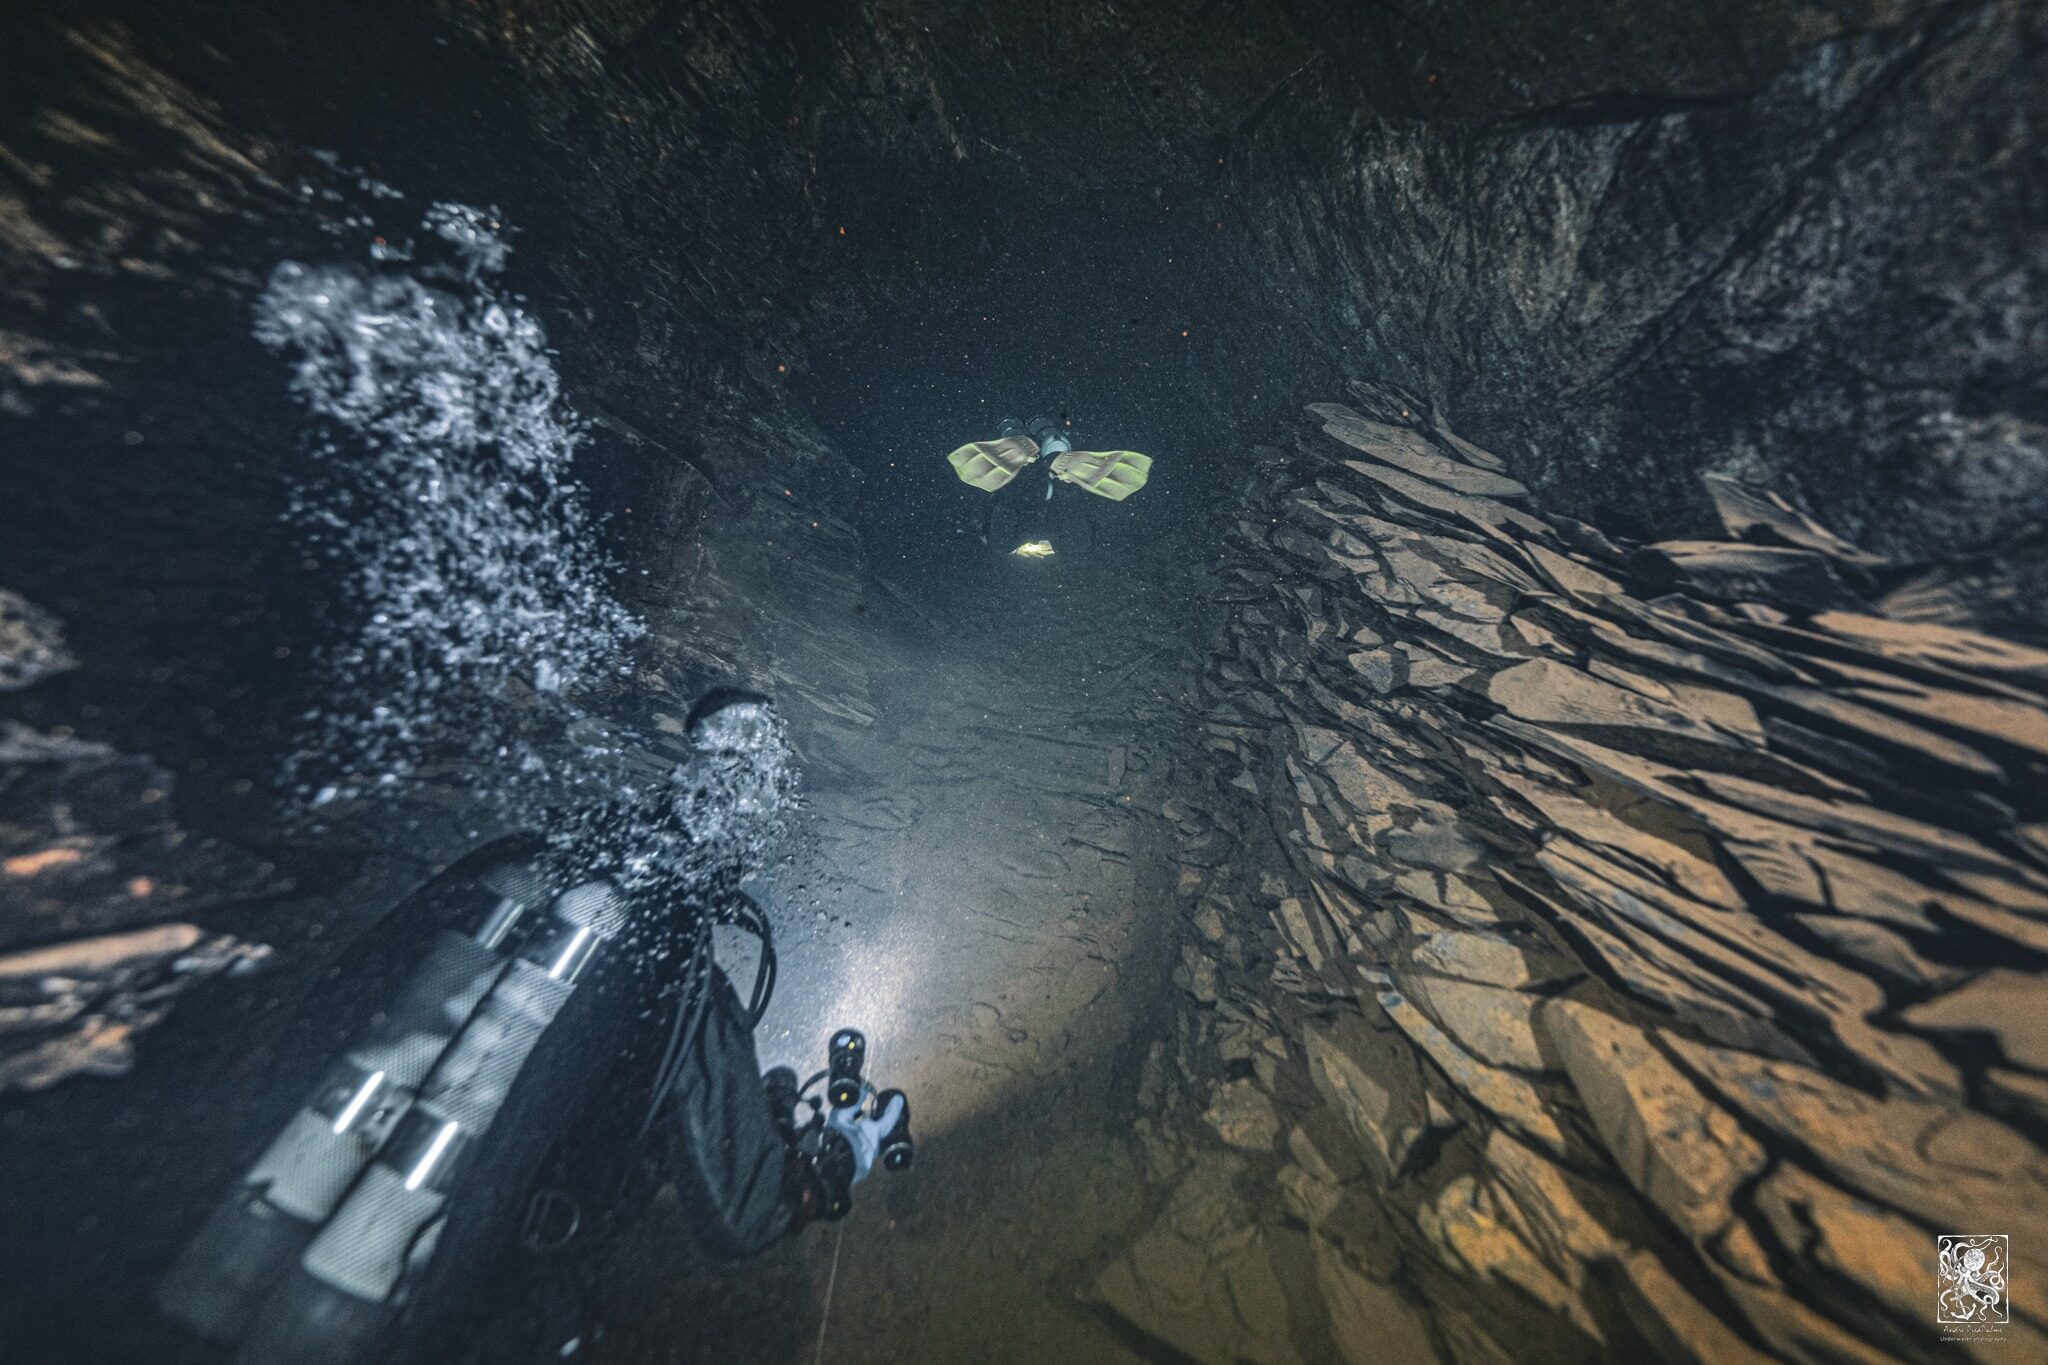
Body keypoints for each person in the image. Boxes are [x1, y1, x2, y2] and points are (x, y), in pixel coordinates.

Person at [946, 415, 1153, 557]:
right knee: (1077, 540)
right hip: (1048, 510)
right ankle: (1051, 442)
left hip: (1030, 508)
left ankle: (1033, 442)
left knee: (1007, 530)